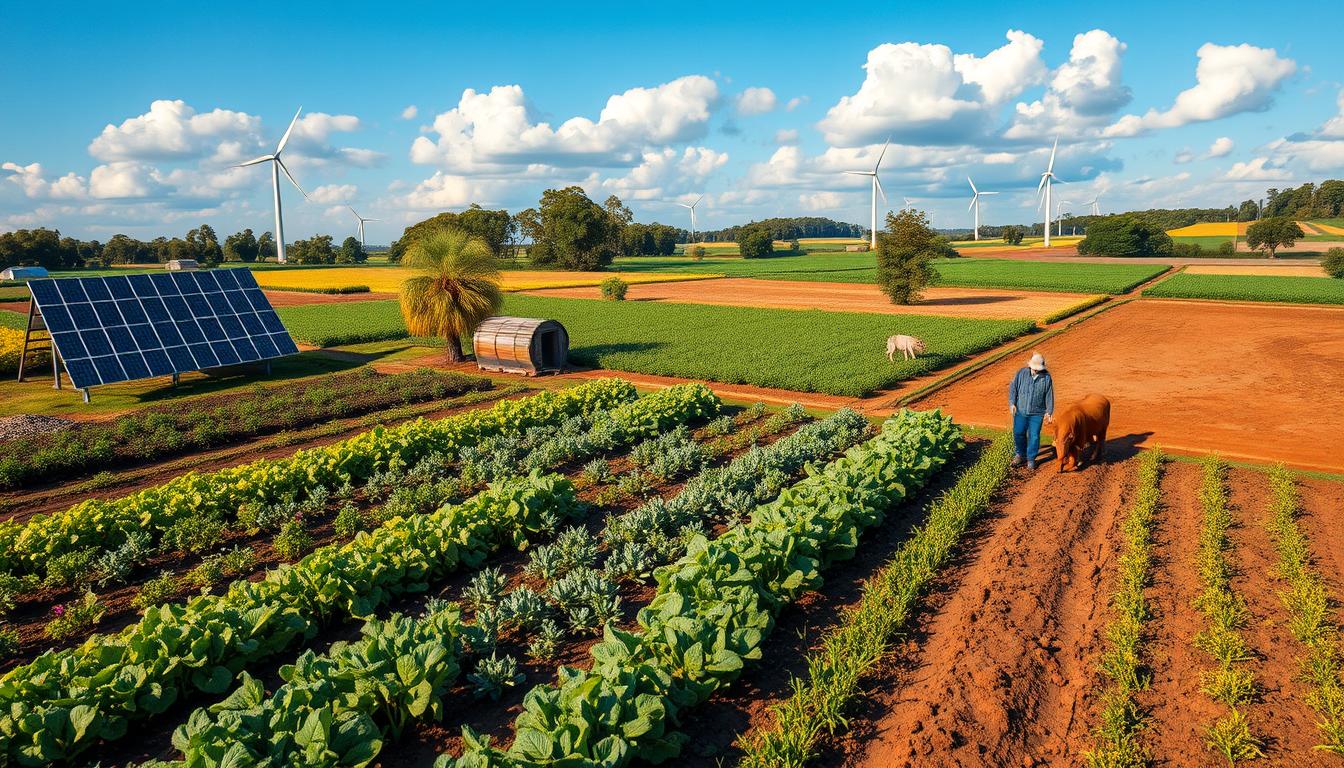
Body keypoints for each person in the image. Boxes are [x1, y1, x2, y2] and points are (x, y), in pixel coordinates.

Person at [1009, 352, 1055, 469]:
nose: (1035, 371)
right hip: (1021, 411)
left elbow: (1049, 395)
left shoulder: (1046, 378)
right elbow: (1013, 389)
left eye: (1038, 369)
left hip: (1037, 413)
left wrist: (1049, 411)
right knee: (1018, 433)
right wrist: (1012, 403)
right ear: (1030, 366)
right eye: (1034, 368)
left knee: (1034, 436)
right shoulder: (1021, 373)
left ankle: (1031, 459)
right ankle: (1020, 455)